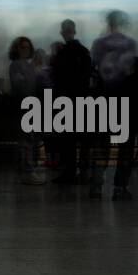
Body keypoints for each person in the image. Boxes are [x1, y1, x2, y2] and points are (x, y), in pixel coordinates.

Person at [89, 11, 138, 200]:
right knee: (126, 146)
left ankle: (96, 186)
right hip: (126, 100)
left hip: (104, 98)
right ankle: (120, 187)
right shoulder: (131, 44)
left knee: (101, 143)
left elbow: (93, 68)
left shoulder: (98, 44)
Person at [50, 21, 92, 183]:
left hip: (66, 100)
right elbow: (87, 76)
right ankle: (84, 172)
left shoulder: (62, 54)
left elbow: (56, 77)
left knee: (68, 139)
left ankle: (69, 172)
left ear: (63, 32)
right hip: (81, 99)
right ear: (74, 31)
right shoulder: (83, 52)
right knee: (83, 138)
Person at [8, 36, 44, 184]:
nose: (25, 50)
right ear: (16, 49)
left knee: (26, 139)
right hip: (23, 105)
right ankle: (28, 172)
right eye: (22, 47)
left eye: (27, 47)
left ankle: (23, 170)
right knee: (26, 139)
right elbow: (19, 84)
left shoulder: (27, 65)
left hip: (29, 104)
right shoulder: (16, 65)